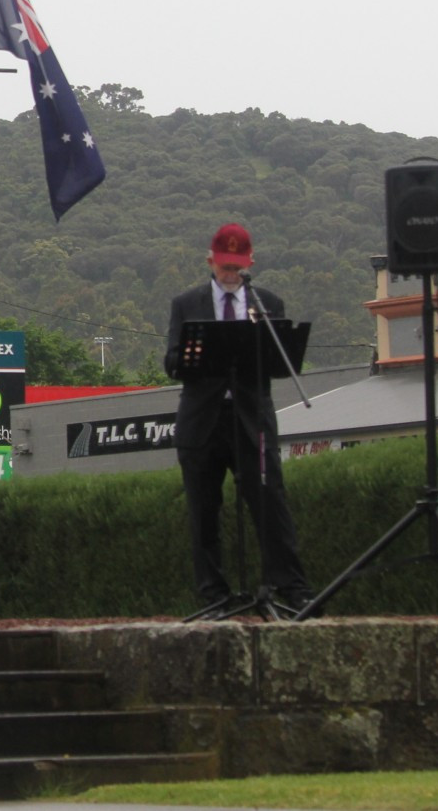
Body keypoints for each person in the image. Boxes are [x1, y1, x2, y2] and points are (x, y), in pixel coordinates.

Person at [162, 222, 312, 613]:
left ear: (250, 264)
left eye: (237, 268)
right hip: (203, 421)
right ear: (210, 260)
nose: (230, 275)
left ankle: (293, 590)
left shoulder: (267, 303)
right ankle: (214, 595)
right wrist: (200, 354)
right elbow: (173, 362)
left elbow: (278, 363)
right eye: (225, 267)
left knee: (270, 504)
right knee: (204, 511)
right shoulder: (186, 303)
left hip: (250, 418)